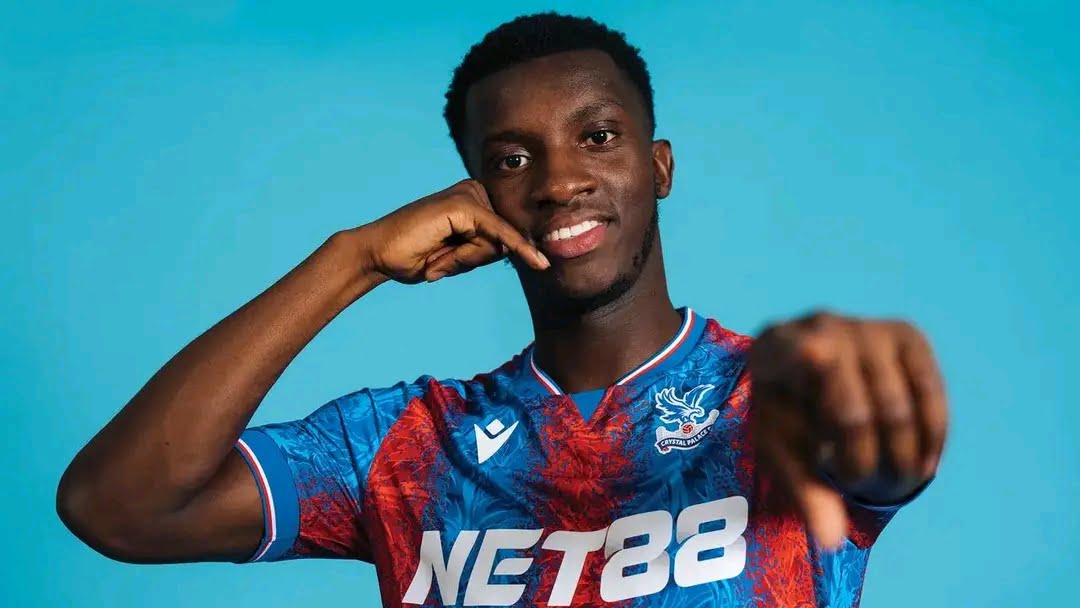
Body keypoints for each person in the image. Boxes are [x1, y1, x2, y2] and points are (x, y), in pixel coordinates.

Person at [56, 12, 948, 608]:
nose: (560, 181)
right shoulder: (402, 445)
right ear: (477, 196)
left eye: (598, 137)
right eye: (513, 160)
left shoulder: (771, 400)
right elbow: (118, 506)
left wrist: (866, 402)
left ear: (659, 168)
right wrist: (351, 260)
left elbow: (883, 456)